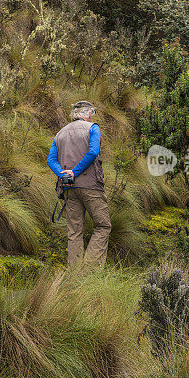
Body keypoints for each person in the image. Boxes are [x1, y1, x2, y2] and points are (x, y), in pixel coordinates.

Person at [46, 100, 112, 267]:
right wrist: (75, 172)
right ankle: (89, 270)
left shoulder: (60, 133)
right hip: (91, 187)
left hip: (69, 188)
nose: (92, 117)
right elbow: (93, 152)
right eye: (92, 114)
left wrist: (64, 174)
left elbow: (51, 160)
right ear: (88, 114)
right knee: (103, 226)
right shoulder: (93, 128)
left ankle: (74, 275)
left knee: (74, 232)